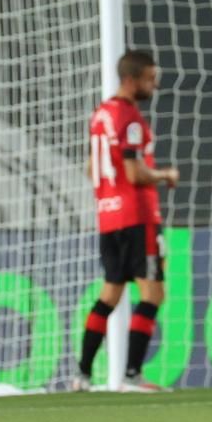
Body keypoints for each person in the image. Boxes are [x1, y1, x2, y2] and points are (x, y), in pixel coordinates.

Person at [73, 50, 179, 392]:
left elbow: (92, 168)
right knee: (153, 294)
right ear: (132, 79)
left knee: (109, 294)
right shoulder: (130, 118)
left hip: (108, 216)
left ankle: (82, 375)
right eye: (150, 78)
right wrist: (165, 174)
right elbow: (134, 173)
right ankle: (132, 375)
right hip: (138, 216)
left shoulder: (100, 113)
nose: (155, 84)